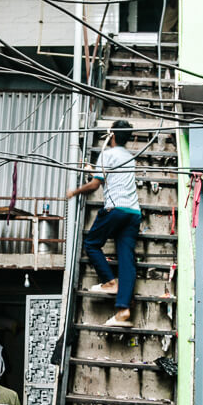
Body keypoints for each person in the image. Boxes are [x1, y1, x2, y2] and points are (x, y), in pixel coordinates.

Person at [66, 119, 141, 328]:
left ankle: (109, 281)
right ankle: (123, 311)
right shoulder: (130, 157)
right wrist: (95, 169)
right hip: (133, 213)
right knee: (127, 260)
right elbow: (111, 177)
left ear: (112, 135)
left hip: (115, 209)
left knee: (91, 244)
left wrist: (74, 192)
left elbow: (95, 185)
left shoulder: (106, 154)